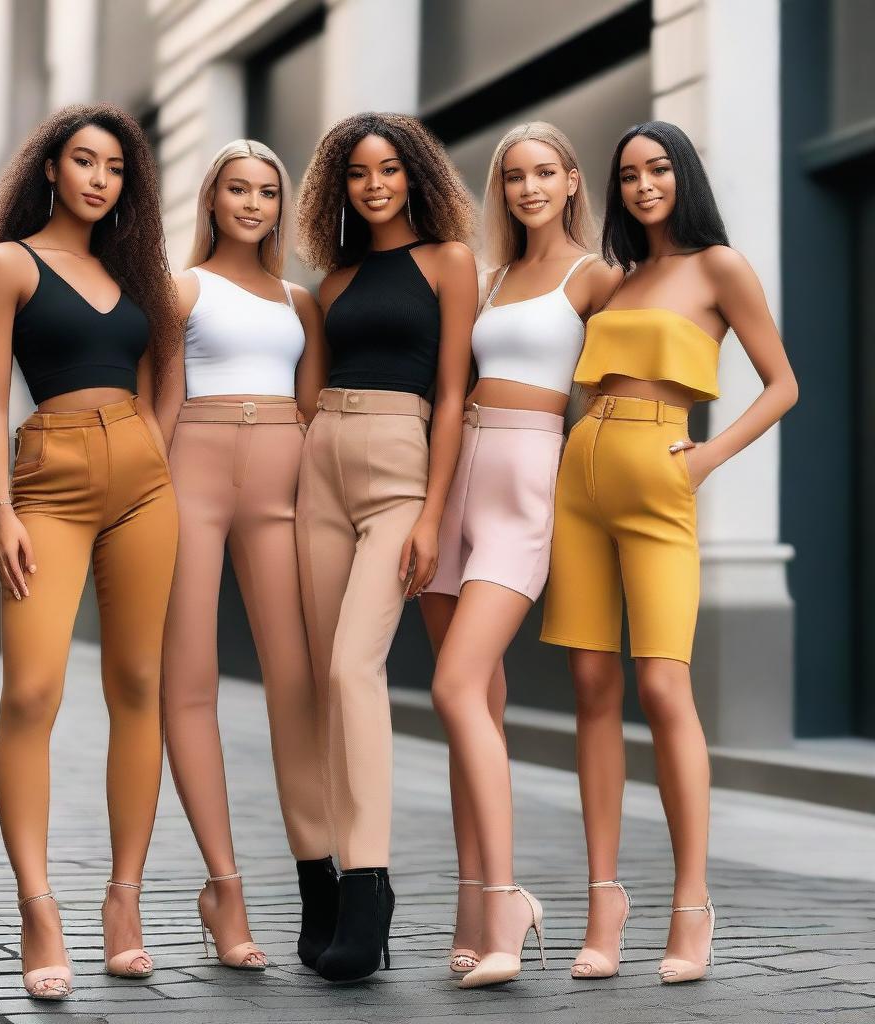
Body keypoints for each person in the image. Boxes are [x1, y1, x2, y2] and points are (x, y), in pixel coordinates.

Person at [541, 120, 798, 984]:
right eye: (630, 175)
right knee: (590, 683)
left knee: (661, 681)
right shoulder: (615, 278)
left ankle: (692, 905)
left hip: (662, 474)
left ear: (682, 175)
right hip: (580, 473)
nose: (645, 184)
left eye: (659, 169)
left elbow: (783, 382)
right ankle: (603, 900)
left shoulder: (717, 267)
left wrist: (708, 459)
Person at [0, 104, 181, 999]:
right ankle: (37, 906)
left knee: (138, 685)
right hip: (45, 485)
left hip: (143, 485)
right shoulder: (7, 264)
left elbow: (163, 371)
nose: (100, 178)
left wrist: (156, 452)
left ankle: (124, 903)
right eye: (84, 161)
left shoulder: (134, 274)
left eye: (115, 168)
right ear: (49, 169)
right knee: (31, 690)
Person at [420, 122, 621, 988]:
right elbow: (450, 383)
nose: (529, 187)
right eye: (513, 177)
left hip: (531, 483)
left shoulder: (598, 277)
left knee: (455, 687)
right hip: (458, 473)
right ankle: (475, 910)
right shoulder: (488, 276)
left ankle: (508, 904)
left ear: (573, 181)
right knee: (477, 716)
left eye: (545, 173)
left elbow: (621, 392)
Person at [294, 112, 477, 981]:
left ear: (417, 178)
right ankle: (332, 883)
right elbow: (309, 389)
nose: (375, 185)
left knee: (350, 670)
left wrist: (435, 513)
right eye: (359, 173)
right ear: (341, 185)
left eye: (390, 170)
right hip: (319, 462)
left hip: (403, 469)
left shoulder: (449, 264)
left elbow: (452, 393)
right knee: (323, 686)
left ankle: (369, 887)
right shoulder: (330, 283)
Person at [154, 140, 335, 972]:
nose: (254, 203)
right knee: (187, 681)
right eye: (238, 188)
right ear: (213, 199)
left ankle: (319, 877)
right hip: (191, 478)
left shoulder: (302, 302)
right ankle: (223, 888)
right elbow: (162, 406)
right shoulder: (180, 288)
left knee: (295, 684)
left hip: (283, 485)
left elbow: (316, 412)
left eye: (268, 190)